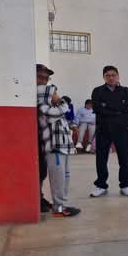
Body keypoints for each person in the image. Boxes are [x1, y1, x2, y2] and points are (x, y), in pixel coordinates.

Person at [37, 81, 81, 218]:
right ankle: (59, 208)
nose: (57, 95)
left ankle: (63, 204)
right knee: (58, 179)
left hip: (63, 148)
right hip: (54, 149)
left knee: (65, 177)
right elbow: (61, 111)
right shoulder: (43, 107)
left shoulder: (54, 108)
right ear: (47, 94)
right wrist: (63, 102)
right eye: (54, 93)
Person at [90, 66, 128, 197]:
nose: (111, 78)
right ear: (104, 77)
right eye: (108, 75)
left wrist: (107, 107)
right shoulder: (97, 91)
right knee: (101, 159)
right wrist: (116, 111)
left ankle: (125, 185)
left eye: (113, 75)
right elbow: (98, 109)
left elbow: (125, 108)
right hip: (103, 129)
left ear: (118, 76)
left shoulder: (127, 91)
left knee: (124, 159)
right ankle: (101, 185)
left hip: (121, 130)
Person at [36, 64, 54, 213]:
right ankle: (35, 198)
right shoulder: (28, 93)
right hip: (30, 137)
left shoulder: (47, 94)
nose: (43, 81)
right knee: (35, 170)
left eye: (46, 78)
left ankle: (39, 197)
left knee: (42, 170)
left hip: (43, 137)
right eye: (40, 77)